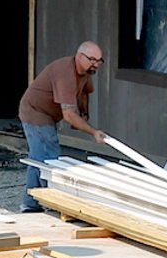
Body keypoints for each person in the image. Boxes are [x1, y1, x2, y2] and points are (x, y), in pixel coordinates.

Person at [17, 42, 108, 212]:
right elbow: (68, 115)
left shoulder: (86, 71)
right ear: (80, 56)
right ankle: (47, 203)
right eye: (92, 60)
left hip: (50, 115)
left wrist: (84, 114)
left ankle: (32, 204)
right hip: (35, 112)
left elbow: (84, 93)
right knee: (49, 157)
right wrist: (93, 132)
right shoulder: (65, 74)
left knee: (39, 157)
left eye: (99, 60)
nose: (96, 64)